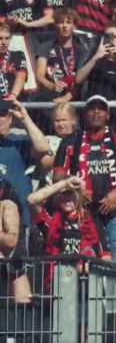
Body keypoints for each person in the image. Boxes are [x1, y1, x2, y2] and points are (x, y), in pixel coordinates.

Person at [53, 95, 116, 262]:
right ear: (85, 114)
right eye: (92, 108)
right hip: (84, 214)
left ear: (108, 114)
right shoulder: (70, 141)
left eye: (101, 109)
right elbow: (57, 176)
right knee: (86, 265)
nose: (96, 112)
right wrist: (76, 186)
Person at [0, 99, 51, 302]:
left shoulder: (17, 142)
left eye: (3, 114)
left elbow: (44, 147)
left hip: (15, 219)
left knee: (16, 272)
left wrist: (25, 118)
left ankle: (22, 319)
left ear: (10, 117)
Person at [27, 175, 111, 292]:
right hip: (57, 287)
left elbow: (106, 258)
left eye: (71, 193)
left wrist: (90, 267)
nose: (67, 198)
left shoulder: (93, 221)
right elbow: (31, 200)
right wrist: (64, 183)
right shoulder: (51, 220)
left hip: (87, 287)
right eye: (63, 193)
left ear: (79, 195)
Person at [35, 8, 91, 104]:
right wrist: (52, 86)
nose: (65, 26)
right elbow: (39, 75)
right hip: (52, 97)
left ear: (74, 26)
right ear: (55, 25)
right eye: (61, 22)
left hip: (75, 98)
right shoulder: (46, 46)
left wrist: (67, 97)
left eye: (68, 23)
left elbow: (83, 78)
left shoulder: (82, 48)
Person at [0, 21, 27, 101]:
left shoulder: (18, 55)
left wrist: (13, 95)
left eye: (7, 38)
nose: (4, 42)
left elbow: (21, 76)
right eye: (0, 38)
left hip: (13, 102)